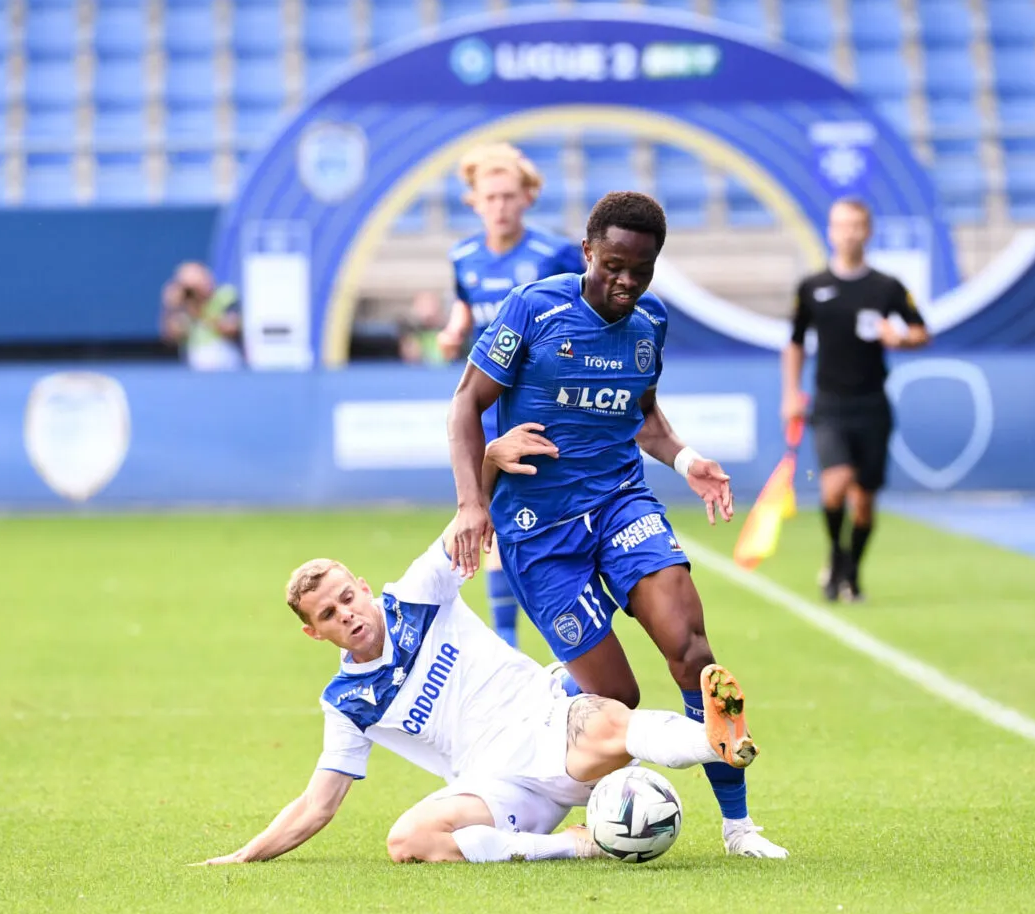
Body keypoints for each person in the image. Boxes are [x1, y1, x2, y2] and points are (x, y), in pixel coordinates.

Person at [192, 427, 760, 867]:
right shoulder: (347, 701)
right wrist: (246, 854)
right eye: (329, 615)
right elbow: (318, 805)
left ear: (364, 588)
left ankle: (716, 741)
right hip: (493, 784)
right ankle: (574, 845)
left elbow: (470, 522)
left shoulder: (416, 593)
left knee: (605, 717)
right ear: (314, 633)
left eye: (347, 597)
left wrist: (487, 461)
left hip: (544, 720)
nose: (347, 614)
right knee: (407, 841)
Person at [445, 191, 788, 858]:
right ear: (586, 253)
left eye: (641, 270)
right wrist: (471, 502)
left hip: (620, 506)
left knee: (692, 652)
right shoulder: (534, 309)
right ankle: (553, 701)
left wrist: (685, 459)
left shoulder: (648, 322)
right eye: (612, 266)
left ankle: (739, 826)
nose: (626, 283)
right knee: (618, 702)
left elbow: (645, 416)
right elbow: (467, 404)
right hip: (540, 534)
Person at [438, 141, 585, 650]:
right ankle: (509, 646)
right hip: (488, 414)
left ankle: (565, 641)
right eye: (490, 197)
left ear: (527, 198)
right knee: (493, 524)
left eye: (508, 196)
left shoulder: (554, 255)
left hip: (543, 411)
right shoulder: (463, 257)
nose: (499, 206)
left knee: (544, 525)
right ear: (474, 201)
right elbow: (467, 303)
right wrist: (455, 328)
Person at [780, 198, 930, 603]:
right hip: (829, 404)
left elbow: (922, 331)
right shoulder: (812, 288)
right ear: (830, 231)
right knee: (834, 487)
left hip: (872, 404)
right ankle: (835, 555)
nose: (848, 232)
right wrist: (791, 393)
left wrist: (900, 337)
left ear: (868, 231)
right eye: (841, 225)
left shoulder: (887, 287)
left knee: (863, 503)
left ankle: (851, 573)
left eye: (856, 225)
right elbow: (794, 344)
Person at [159, 261, 244, 371]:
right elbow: (171, 337)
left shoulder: (225, 295)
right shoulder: (185, 305)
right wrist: (170, 308)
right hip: (195, 365)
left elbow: (231, 328)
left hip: (225, 362)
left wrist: (200, 311)